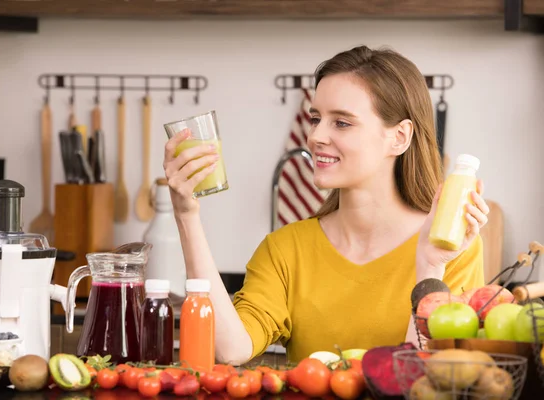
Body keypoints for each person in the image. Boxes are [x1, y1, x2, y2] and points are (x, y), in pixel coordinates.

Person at [162, 45, 489, 365]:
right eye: (316, 118)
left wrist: (429, 269)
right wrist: (186, 215)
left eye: (342, 122)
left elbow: (431, 376)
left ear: (399, 137)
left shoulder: (450, 249)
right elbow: (230, 349)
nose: (316, 135)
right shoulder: (286, 249)